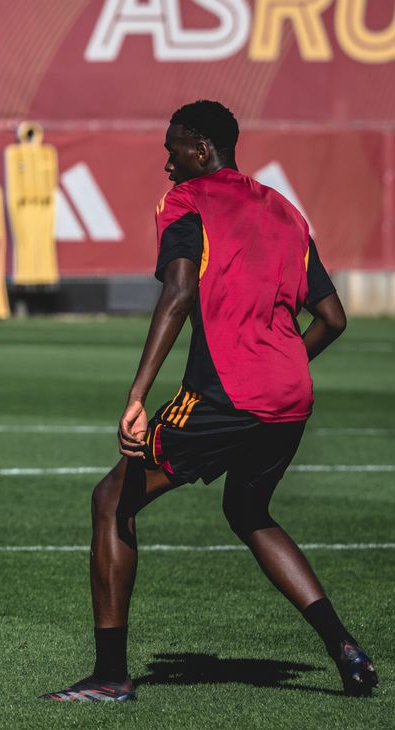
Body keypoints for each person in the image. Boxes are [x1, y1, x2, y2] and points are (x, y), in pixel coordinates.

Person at [41, 100, 378, 702]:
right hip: (289, 397)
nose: (166, 161)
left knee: (111, 501)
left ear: (200, 148)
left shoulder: (187, 201)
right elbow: (332, 318)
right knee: (249, 513)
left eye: (172, 148)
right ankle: (345, 649)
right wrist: (286, 366)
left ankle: (112, 677)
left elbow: (177, 291)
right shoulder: (285, 210)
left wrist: (138, 394)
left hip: (225, 392)